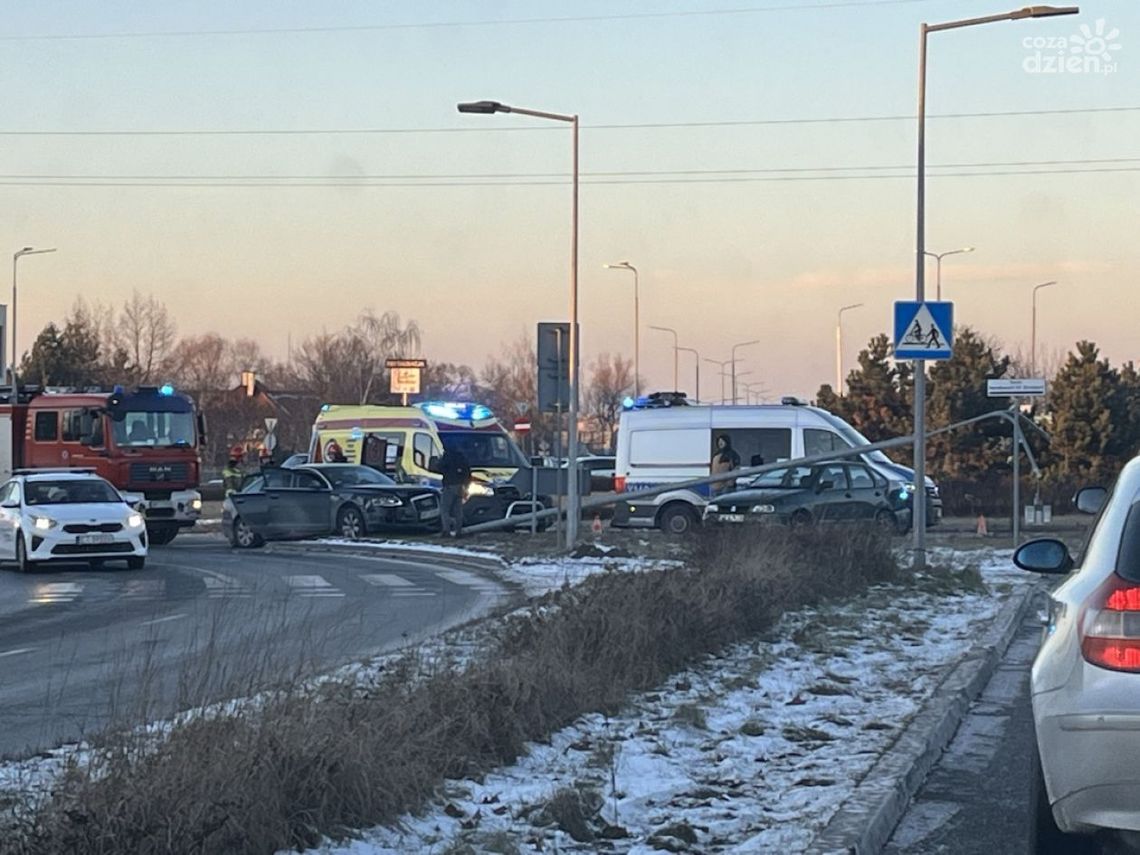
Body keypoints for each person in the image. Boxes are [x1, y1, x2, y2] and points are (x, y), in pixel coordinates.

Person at [436, 446, 471, 537]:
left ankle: (446, 531)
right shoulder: (462, 457)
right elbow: (468, 472)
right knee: (458, 510)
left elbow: (440, 468)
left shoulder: (447, 457)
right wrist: (465, 486)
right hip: (460, 486)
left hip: (449, 485)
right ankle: (459, 531)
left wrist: (440, 460)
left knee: (444, 509)